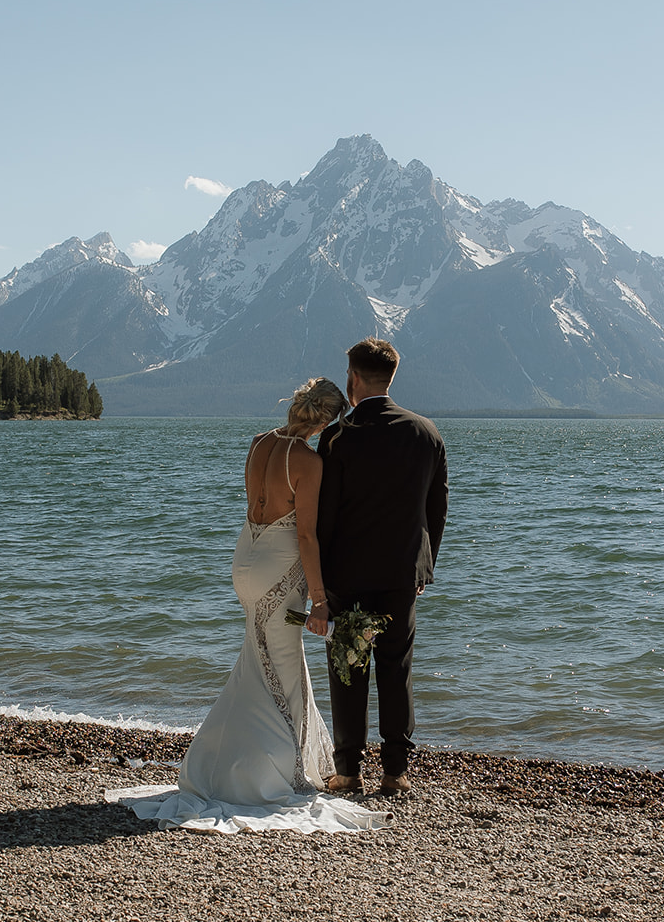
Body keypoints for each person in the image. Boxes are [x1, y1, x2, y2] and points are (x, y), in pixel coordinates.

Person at [106, 378, 388, 835]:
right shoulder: (310, 463)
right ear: (328, 420)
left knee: (260, 660)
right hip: (280, 568)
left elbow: (255, 503)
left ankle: (236, 759)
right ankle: (259, 773)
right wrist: (320, 601)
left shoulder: (259, 444)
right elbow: (306, 535)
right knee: (279, 666)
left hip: (246, 559)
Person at [316, 338, 448, 796]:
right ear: (392, 378)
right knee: (397, 670)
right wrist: (422, 570)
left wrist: (321, 585)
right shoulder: (426, 433)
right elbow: (436, 511)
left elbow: (324, 516)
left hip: (348, 576)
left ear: (353, 378)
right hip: (400, 576)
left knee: (348, 670)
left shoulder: (338, 437)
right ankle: (395, 772)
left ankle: (348, 770)